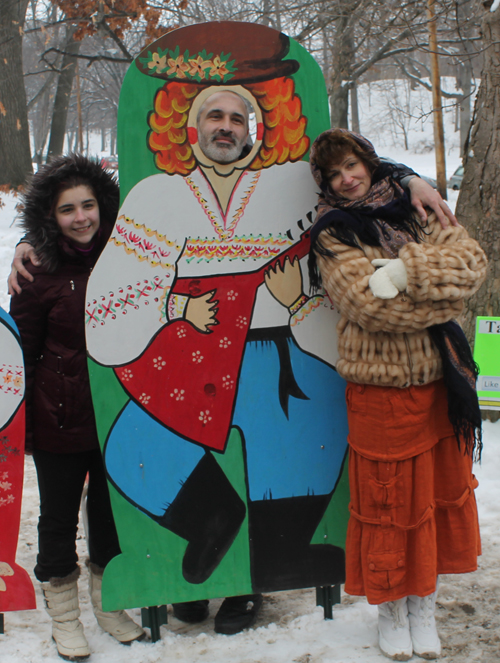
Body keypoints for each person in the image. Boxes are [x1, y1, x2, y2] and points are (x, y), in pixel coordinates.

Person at [308, 128, 487, 661]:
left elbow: (472, 263)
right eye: (334, 173)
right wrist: (439, 297)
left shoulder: (414, 206)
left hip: (439, 386)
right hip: (379, 394)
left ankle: (422, 606)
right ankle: (391, 609)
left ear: (368, 162)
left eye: (352, 165)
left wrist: (406, 269)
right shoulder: (332, 232)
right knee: (389, 507)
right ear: (327, 184)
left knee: (428, 501)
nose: (347, 178)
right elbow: (370, 307)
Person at [9, 155, 145, 661]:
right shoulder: (36, 271)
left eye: (89, 204)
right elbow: (22, 353)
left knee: (111, 515)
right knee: (58, 519)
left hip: (116, 413)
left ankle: (107, 603)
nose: (81, 217)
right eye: (68, 209)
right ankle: (64, 617)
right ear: (50, 215)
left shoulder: (125, 256)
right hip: (59, 416)